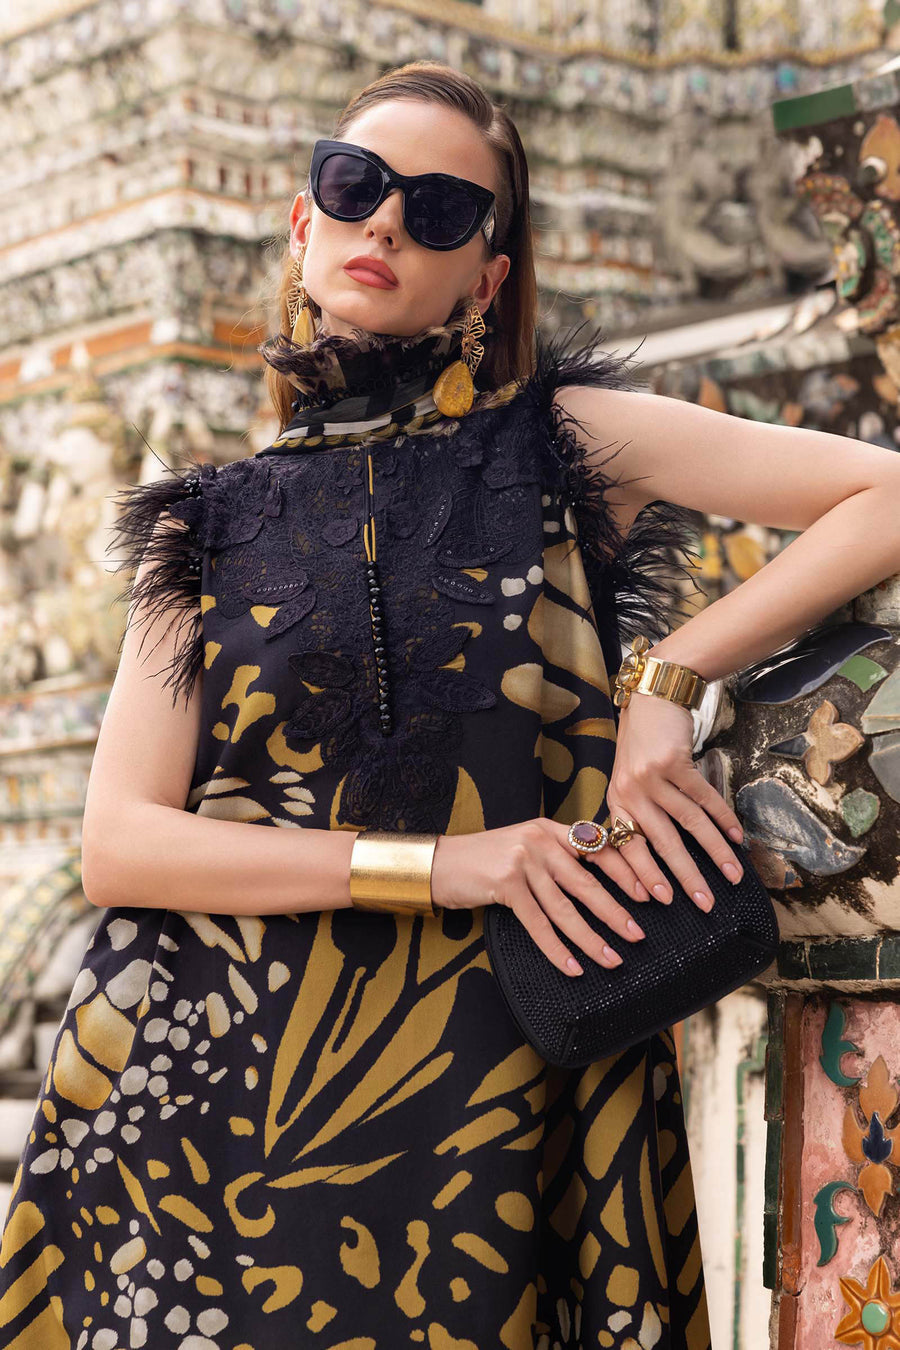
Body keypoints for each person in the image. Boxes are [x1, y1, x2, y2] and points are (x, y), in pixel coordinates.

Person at [4, 58, 900, 1350]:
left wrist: (669, 675)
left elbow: (881, 495)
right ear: (304, 222)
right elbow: (121, 842)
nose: (384, 221)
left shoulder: (565, 440)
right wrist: (444, 865)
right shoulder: (203, 523)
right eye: (354, 185)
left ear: (487, 276)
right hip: (202, 1096)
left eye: (436, 209)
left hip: (497, 1083)